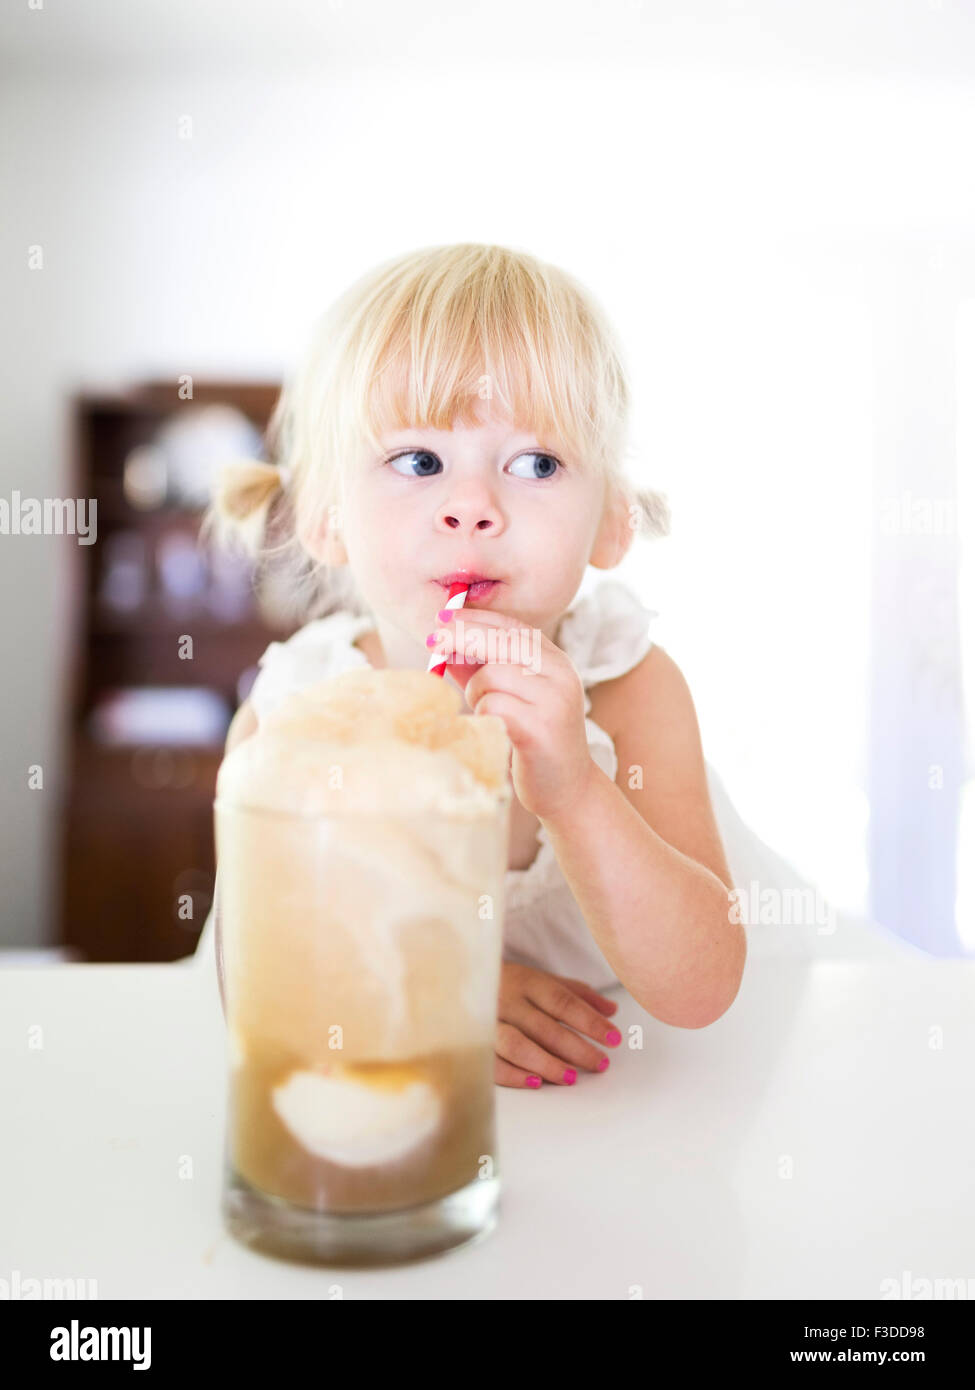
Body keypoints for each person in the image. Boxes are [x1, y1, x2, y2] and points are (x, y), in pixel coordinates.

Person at [199, 241, 746, 1089]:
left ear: (610, 520)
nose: (472, 509)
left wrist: (573, 790)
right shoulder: (296, 711)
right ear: (325, 516)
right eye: (418, 462)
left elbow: (700, 987)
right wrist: (444, 990)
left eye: (536, 464)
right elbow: (259, 989)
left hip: (637, 1094)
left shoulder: (628, 686)